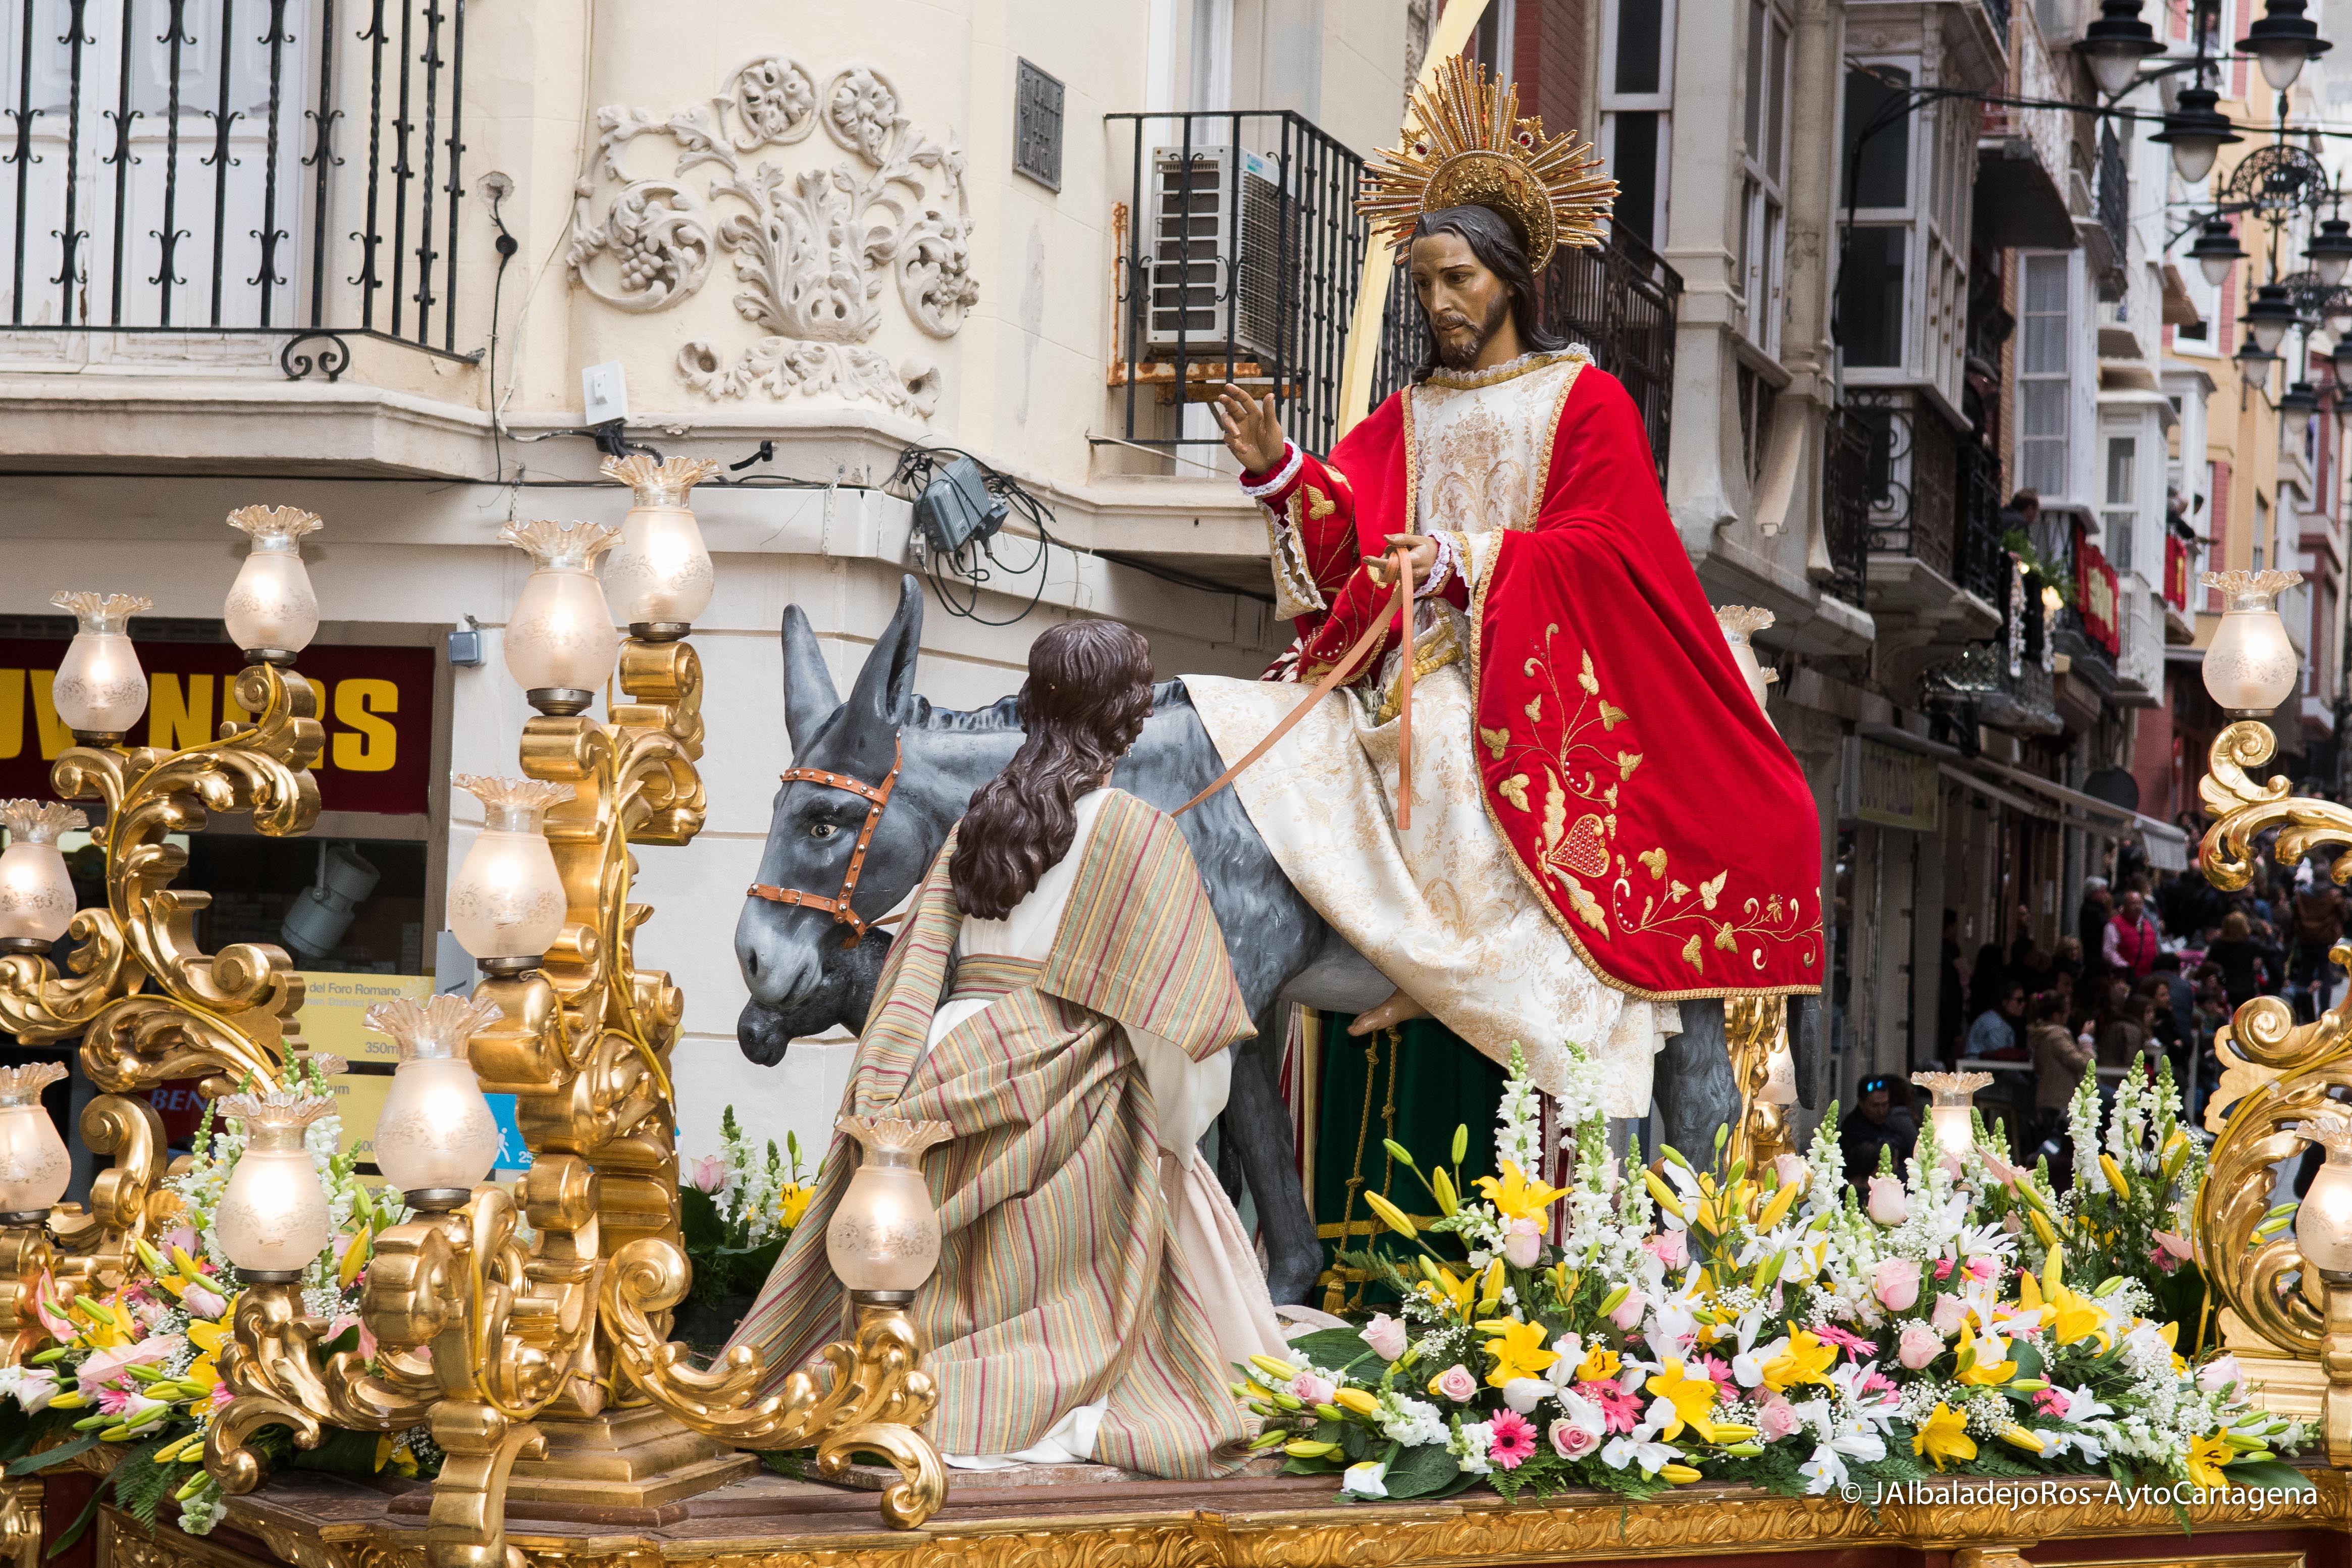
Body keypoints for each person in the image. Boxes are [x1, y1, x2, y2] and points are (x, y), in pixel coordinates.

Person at [1190, 58, 1821, 1125]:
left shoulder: (1584, 400)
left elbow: (1605, 550)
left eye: (1458, 279)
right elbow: (1349, 546)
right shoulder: (1406, 412)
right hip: (1404, 666)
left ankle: (1453, 971)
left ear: (1512, 281)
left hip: (1525, 682)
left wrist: (1463, 563)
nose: (1438, 303)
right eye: (1422, 283)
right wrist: (1281, 473)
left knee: (1441, 736)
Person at [728, 621, 1285, 1477]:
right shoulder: (1134, 830)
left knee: (949, 1275)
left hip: (947, 1052)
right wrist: (1173, 1127)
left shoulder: (976, 827)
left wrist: (890, 1079)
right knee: (1048, 1280)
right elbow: (1182, 1014)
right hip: (1069, 1061)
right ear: (1126, 716)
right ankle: (998, 1397)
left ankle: (899, 1381)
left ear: (1030, 703)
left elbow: (917, 965)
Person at [2028, 990, 2092, 1146]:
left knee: (2049, 1147)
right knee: (2057, 1148)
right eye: (2067, 1011)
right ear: (2057, 1015)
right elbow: (2084, 1064)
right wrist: (2086, 1041)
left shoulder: (2041, 1034)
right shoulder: (2057, 1036)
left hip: (2048, 1100)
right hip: (2059, 1102)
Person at [1841, 1074, 1917, 1187]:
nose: (1881, 1111)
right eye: (1875, 1106)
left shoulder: (1888, 1125)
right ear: (1861, 1103)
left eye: (1885, 1105)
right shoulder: (1852, 1130)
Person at [2104, 887, 2163, 980]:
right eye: (2133, 904)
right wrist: (2125, 967)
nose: (2138, 907)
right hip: (2128, 977)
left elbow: (2155, 946)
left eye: (2140, 903)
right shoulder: (2114, 925)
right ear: (2124, 906)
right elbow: (2108, 952)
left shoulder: (2147, 924)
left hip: (2150, 976)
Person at [1965, 979, 2028, 1060]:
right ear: (2005, 1002)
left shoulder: (1995, 1019)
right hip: (1979, 1066)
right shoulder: (1995, 1024)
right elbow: (2001, 1058)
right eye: (2019, 1000)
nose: (2023, 1004)